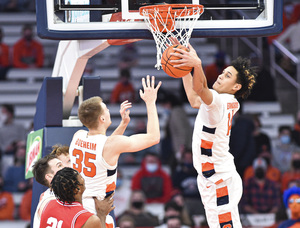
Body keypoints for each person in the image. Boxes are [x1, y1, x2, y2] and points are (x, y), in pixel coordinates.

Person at [169, 37, 257, 228]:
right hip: (212, 177)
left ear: (236, 87)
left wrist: (196, 64)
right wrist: (185, 69)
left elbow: (200, 89)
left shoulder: (221, 101)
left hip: (219, 177)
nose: (220, 76)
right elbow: (194, 99)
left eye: (227, 76)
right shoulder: (222, 101)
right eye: (223, 72)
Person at [69, 76, 161, 227]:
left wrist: (123, 124)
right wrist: (150, 102)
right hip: (96, 209)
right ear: (102, 119)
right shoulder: (109, 144)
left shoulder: (78, 136)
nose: (109, 110)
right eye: (106, 109)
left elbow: (105, 149)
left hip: (79, 206)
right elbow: (153, 137)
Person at [40, 167, 114, 228]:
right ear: (77, 189)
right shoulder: (88, 219)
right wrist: (102, 215)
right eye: (81, 177)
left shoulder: (48, 205)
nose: (83, 178)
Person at [32, 152, 67, 228]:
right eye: (60, 165)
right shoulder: (51, 203)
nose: (66, 167)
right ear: (50, 177)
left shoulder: (50, 195)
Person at [0, 104, 27, 175]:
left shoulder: (20, 127)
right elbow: (1, 146)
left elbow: (24, 139)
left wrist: (19, 143)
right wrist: (7, 148)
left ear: (10, 114)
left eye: (4, 112)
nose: (2, 114)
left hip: (20, 152)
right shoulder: (1, 130)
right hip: (7, 155)